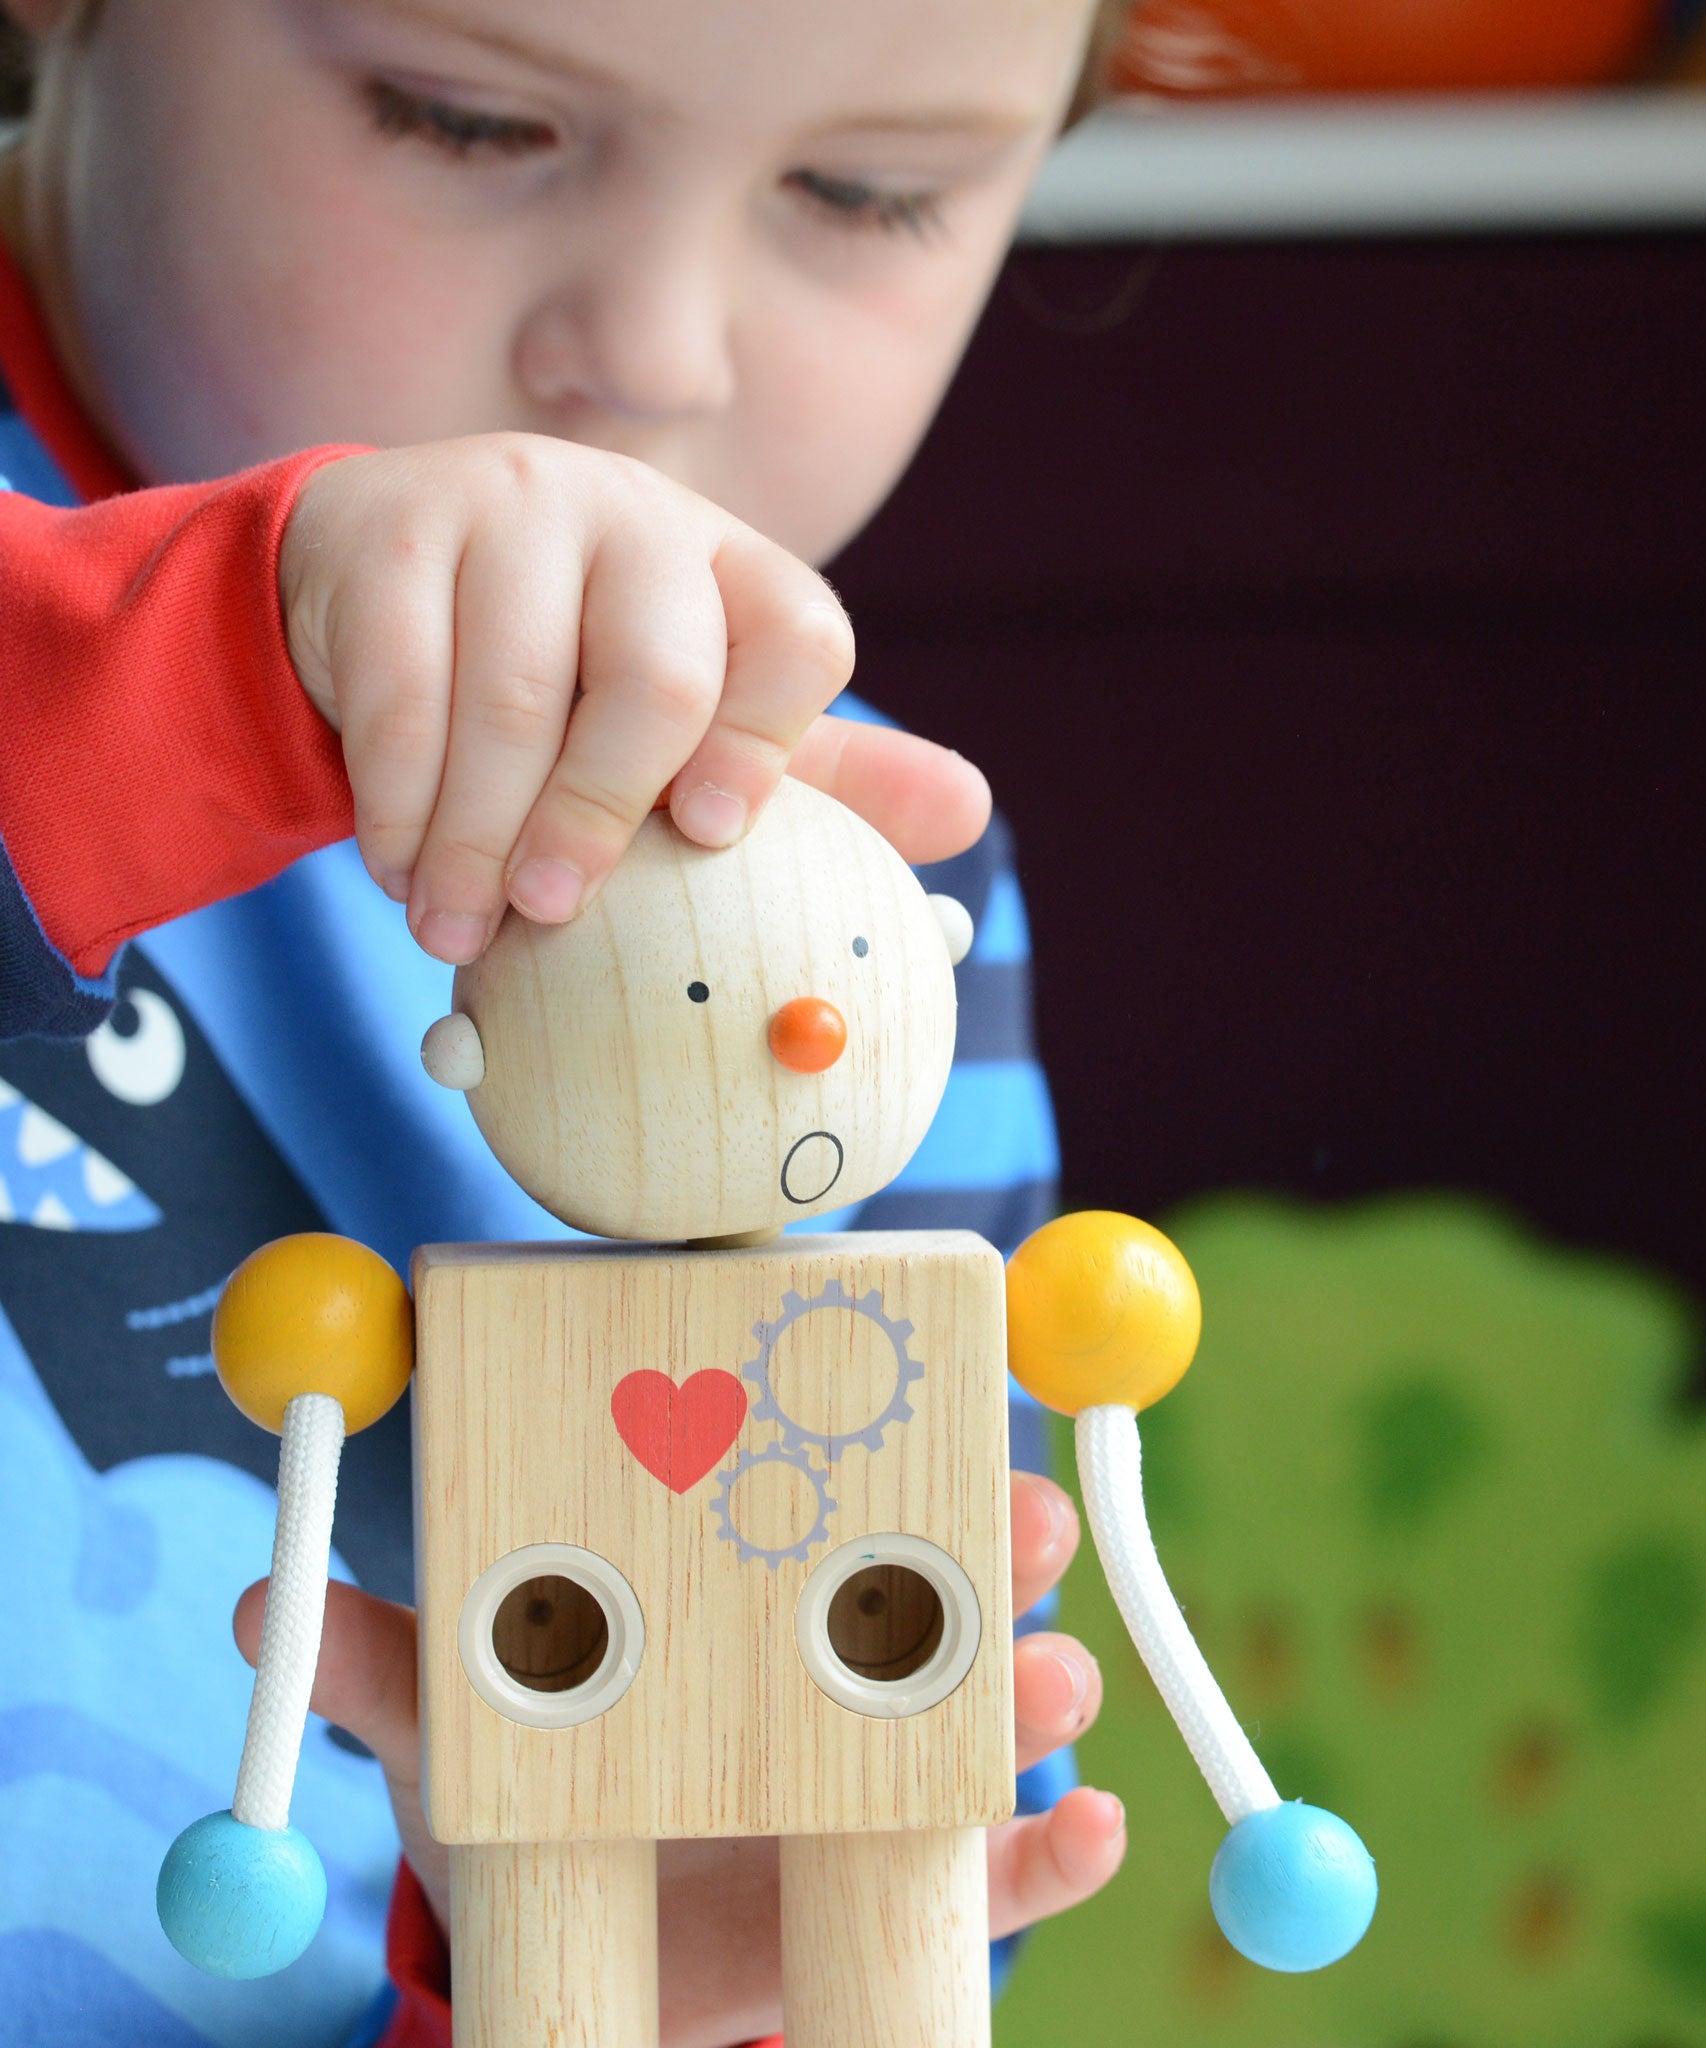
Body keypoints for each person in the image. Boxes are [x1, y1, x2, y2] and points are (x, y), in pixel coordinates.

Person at [0, 1, 1131, 2042]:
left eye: (866, 189)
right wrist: (222, 653)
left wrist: (594, 1961)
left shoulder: (864, 907)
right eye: (466, 118)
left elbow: (841, 1892)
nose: (658, 350)